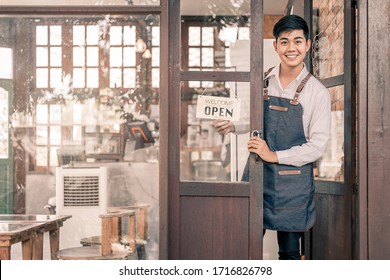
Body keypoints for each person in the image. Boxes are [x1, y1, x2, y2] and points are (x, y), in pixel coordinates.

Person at [213, 14, 330, 260]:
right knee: (244, 244)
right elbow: (253, 118)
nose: (291, 48)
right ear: (275, 46)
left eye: (298, 41)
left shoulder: (317, 93)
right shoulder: (262, 81)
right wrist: (232, 126)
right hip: (259, 176)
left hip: (293, 186)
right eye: (284, 41)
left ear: (307, 45)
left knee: (288, 253)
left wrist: (274, 155)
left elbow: (317, 146)